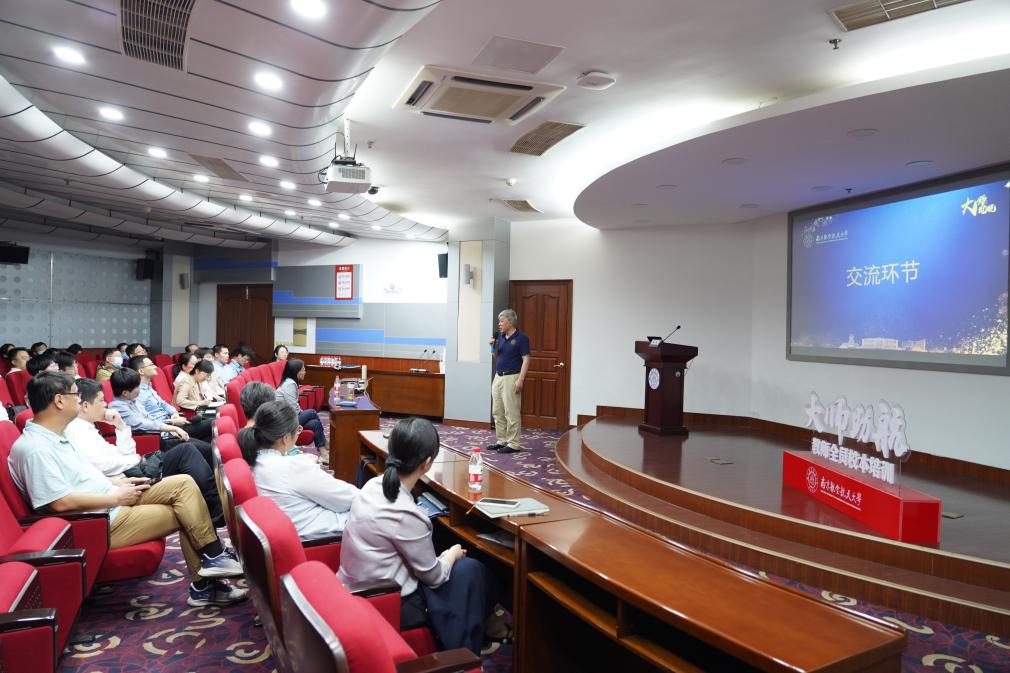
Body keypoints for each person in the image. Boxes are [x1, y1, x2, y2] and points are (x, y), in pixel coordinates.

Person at [9, 372, 245, 607]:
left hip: (111, 496)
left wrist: (117, 484)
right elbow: (59, 502)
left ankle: (213, 558)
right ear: (59, 401)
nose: (79, 400)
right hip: (100, 520)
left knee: (183, 483)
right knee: (187, 512)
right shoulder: (36, 448)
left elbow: (83, 476)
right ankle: (205, 584)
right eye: (75, 395)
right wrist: (116, 497)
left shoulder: (56, 435)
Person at [338, 417, 505, 655]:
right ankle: (462, 655)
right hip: (388, 601)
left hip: (354, 585)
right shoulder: (408, 514)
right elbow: (435, 578)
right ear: (427, 464)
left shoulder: (373, 485)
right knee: (470, 570)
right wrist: (451, 555)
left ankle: (481, 627)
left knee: (460, 563)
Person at [66, 378, 224, 525]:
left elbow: (127, 451)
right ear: (85, 406)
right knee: (186, 451)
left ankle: (214, 503)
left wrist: (120, 426)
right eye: (101, 401)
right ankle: (215, 505)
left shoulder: (89, 428)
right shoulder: (77, 431)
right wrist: (134, 459)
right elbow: (104, 465)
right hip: (129, 478)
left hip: (135, 467)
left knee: (191, 450)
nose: (105, 404)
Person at [238, 401, 357, 539]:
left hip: (292, 530)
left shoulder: (255, 461)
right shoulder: (292, 467)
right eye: (297, 430)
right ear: (285, 438)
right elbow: (347, 499)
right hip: (324, 535)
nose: (298, 434)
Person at [108, 368, 214, 459]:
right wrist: (172, 428)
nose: (140, 389)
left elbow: (150, 419)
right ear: (125, 393)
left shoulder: (132, 400)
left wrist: (171, 424)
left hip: (164, 434)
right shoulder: (117, 407)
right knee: (208, 449)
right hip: (155, 441)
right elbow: (142, 424)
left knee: (209, 442)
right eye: (137, 387)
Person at [125, 356, 214, 442]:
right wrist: (171, 422)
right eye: (151, 364)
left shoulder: (149, 387)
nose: (155, 366)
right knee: (213, 423)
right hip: (165, 430)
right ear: (141, 371)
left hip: (173, 423)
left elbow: (163, 404)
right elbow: (147, 420)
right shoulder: (137, 393)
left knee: (211, 436)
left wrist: (174, 413)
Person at [487, 309, 531, 454]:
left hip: (512, 377)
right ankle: (502, 441)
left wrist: (520, 380)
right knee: (497, 411)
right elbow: (497, 358)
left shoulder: (521, 338)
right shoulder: (500, 337)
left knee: (511, 412)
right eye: (499, 321)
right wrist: (493, 347)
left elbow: (526, 360)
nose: (499, 324)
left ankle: (513, 443)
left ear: (510, 322)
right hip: (498, 377)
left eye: (502, 321)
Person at [275, 359, 326, 454]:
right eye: (303, 369)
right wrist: (303, 414)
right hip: (283, 422)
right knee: (312, 412)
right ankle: (324, 443)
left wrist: (302, 413)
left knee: (315, 423)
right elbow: (294, 410)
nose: (305, 372)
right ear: (296, 371)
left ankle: (323, 453)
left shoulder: (289, 382)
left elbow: (294, 406)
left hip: (289, 418)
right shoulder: (289, 384)